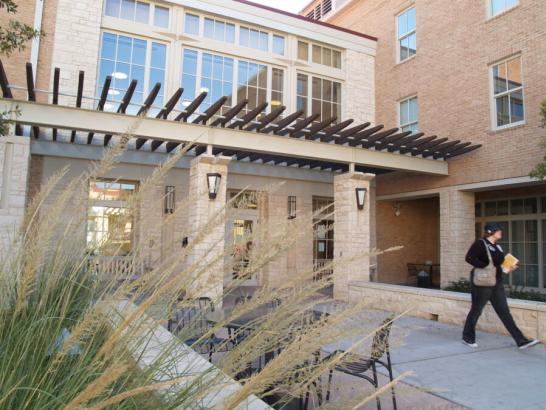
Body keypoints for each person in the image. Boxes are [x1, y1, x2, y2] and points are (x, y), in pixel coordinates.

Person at [462, 222, 539, 349]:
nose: (500, 232)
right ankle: (467, 337)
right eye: (498, 230)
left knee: (504, 311)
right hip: (482, 283)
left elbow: (500, 265)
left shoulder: (498, 247)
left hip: (496, 282)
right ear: (490, 231)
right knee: (476, 310)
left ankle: (521, 341)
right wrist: (484, 266)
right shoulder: (480, 243)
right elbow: (469, 258)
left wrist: (509, 267)